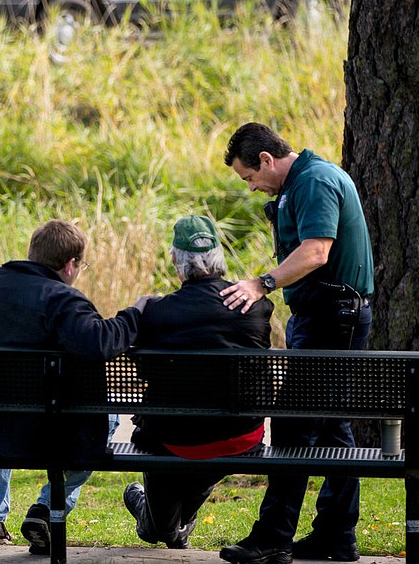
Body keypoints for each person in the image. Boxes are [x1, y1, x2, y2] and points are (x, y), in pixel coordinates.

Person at [218, 123, 374, 564]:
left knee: (293, 426)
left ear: (266, 159)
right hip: (327, 315)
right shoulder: (303, 183)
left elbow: (316, 251)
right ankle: (336, 536)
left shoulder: (316, 181)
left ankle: (273, 537)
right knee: (331, 429)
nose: (251, 188)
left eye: (249, 178)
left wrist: (261, 284)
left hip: (332, 318)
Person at [0, 219, 151, 555]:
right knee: (105, 416)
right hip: (42, 432)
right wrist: (136, 312)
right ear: (70, 265)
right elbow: (102, 342)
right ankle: (46, 509)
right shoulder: (63, 299)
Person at [121, 215, 273, 550]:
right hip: (241, 436)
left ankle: (155, 520)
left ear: (176, 260)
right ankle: (168, 523)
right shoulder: (257, 305)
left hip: (172, 438)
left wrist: (138, 310)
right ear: (219, 258)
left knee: (158, 528)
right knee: (200, 447)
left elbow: (143, 369)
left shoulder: (157, 312)